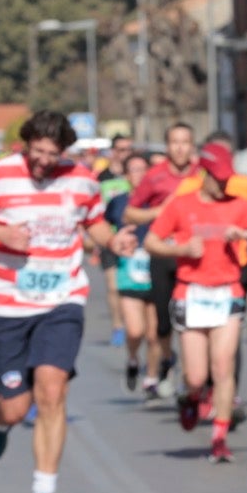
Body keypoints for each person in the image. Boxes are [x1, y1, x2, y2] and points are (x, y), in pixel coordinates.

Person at [0, 111, 138, 493]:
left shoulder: (82, 179)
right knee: (16, 408)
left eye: (53, 154)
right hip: (4, 305)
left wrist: (113, 241)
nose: (44, 161)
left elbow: (94, 223)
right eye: (37, 152)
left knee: (52, 391)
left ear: (64, 151)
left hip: (60, 301)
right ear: (25, 144)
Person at [145, 143, 247, 462]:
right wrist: (180, 251)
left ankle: (219, 438)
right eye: (217, 178)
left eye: (226, 179)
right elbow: (151, 241)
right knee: (196, 376)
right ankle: (191, 397)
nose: (223, 184)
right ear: (204, 174)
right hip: (191, 292)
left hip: (227, 292)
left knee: (223, 366)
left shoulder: (238, 206)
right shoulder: (181, 205)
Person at [124, 123, 207, 398]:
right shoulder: (155, 176)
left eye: (185, 142)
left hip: (193, 256)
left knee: (192, 318)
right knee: (163, 322)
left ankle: (192, 373)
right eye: (174, 142)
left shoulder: (201, 175)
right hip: (161, 253)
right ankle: (167, 358)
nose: (180, 148)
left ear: (192, 145)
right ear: (167, 146)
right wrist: (161, 212)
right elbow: (130, 214)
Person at [104, 154, 160, 396]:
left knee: (154, 333)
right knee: (136, 330)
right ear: (126, 176)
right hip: (129, 269)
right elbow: (104, 228)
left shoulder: (158, 201)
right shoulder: (118, 202)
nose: (139, 174)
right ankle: (133, 358)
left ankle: (151, 378)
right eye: (134, 170)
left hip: (155, 267)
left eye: (143, 169)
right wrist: (112, 243)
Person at [96, 135, 135, 346]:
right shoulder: (102, 177)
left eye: (128, 149)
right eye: (120, 149)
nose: (124, 153)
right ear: (113, 151)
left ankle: (135, 324)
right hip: (109, 237)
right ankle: (118, 326)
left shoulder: (137, 173)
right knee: (113, 287)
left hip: (132, 237)